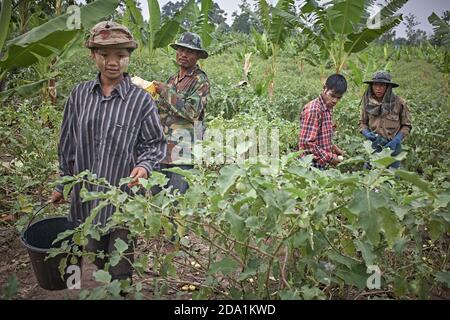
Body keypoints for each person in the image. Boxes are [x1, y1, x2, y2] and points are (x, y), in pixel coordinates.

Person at [48, 21, 166, 283]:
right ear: (93, 56)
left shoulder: (140, 100)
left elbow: (154, 144)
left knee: (120, 265)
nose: (113, 62)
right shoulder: (79, 95)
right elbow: (67, 143)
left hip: (122, 197)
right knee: (96, 255)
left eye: (121, 56)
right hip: (86, 197)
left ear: (129, 58)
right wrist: (62, 183)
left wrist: (145, 165)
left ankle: (120, 288)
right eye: (104, 55)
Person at [132, 32, 210, 194]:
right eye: (180, 50)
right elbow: (162, 110)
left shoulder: (200, 81)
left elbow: (193, 112)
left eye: (189, 52)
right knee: (153, 198)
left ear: (197, 56)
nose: (183, 54)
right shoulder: (172, 79)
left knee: (175, 202)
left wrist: (166, 92)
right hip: (161, 150)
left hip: (183, 153)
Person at [359, 71, 412, 169]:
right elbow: (363, 123)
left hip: (392, 147)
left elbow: (406, 125)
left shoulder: (399, 103)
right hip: (374, 145)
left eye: (382, 85)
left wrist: (397, 139)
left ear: (388, 87)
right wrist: (366, 133)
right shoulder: (368, 103)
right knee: (369, 175)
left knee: (391, 177)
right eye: (375, 85)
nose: (378, 89)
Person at [298, 74, 347, 169]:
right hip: (310, 165)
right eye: (332, 95)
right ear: (325, 88)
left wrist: (334, 148)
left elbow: (321, 137)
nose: (334, 100)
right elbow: (307, 144)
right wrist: (330, 158)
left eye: (338, 98)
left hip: (319, 163)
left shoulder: (327, 108)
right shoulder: (314, 110)